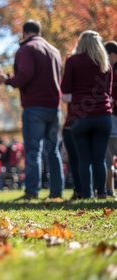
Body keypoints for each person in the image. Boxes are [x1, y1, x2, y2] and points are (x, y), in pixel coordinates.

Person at [0, 19, 64, 200]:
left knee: (33, 150)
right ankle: (57, 192)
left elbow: (25, 75)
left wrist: (6, 80)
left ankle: (32, 191)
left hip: (35, 106)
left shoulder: (27, 49)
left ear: (25, 33)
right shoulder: (55, 51)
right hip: (54, 107)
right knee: (54, 150)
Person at [61, 31, 113, 199]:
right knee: (99, 159)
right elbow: (108, 91)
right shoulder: (105, 64)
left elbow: (66, 89)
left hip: (80, 116)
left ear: (81, 43)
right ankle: (103, 193)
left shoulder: (73, 61)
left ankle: (87, 194)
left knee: (84, 159)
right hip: (103, 116)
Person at [104, 41, 117, 198]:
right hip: (111, 119)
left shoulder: (109, 70)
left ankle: (109, 190)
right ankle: (109, 189)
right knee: (108, 160)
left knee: (108, 160)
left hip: (112, 119)